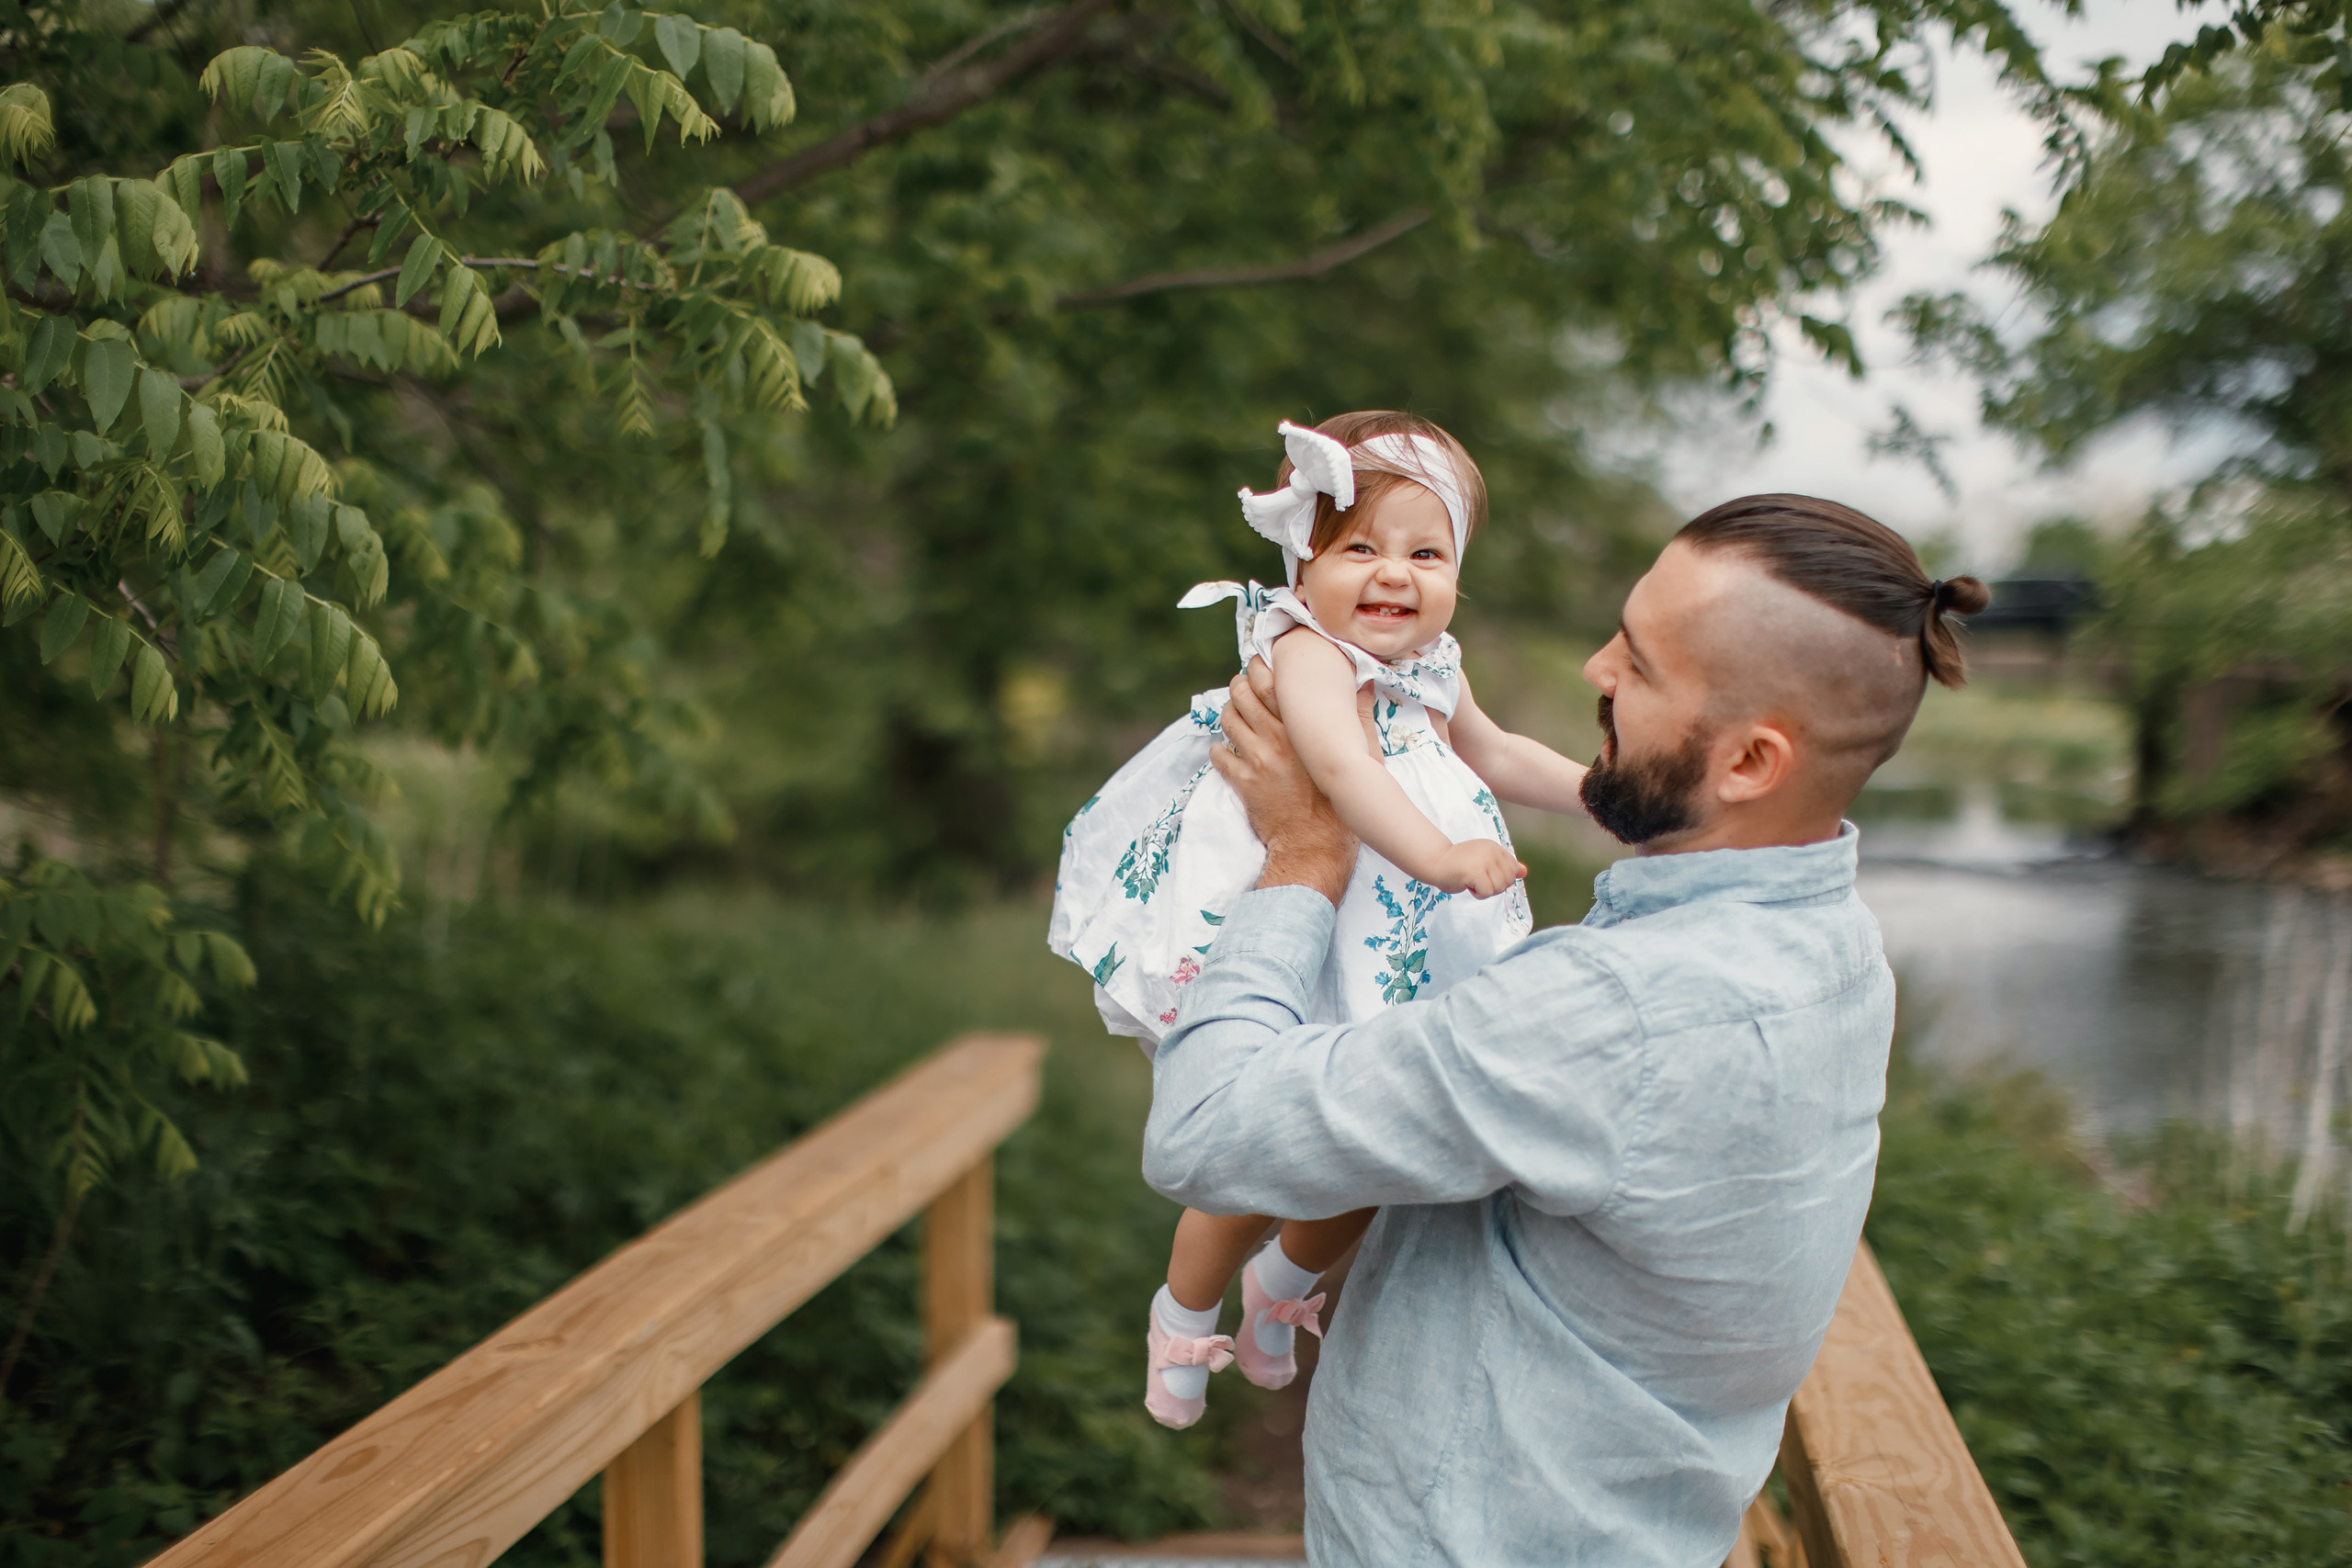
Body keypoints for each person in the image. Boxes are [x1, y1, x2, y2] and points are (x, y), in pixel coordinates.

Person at [1144, 495, 1989, 1566]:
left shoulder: (1612, 1014)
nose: (1595, 669)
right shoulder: (1836, 953)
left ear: (1747, 764)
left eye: (1638, 664)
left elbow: (1202, 1131)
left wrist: (1303, 859)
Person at [1047, 412, 1593, 1428]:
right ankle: (1183, 1310)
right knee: (1257, 1137)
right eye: (1361, 548)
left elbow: (1504, 753)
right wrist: (1438, 857)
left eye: (1425, 553)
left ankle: (1276, 1289)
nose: (1394, 575)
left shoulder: (1436, 665)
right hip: (1308, 926)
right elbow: (1340, 772)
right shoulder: (1305, 652)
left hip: (1402, 941)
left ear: (1456, 577)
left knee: (1385, 1140)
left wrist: (1608, 795)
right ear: (1304, 565)